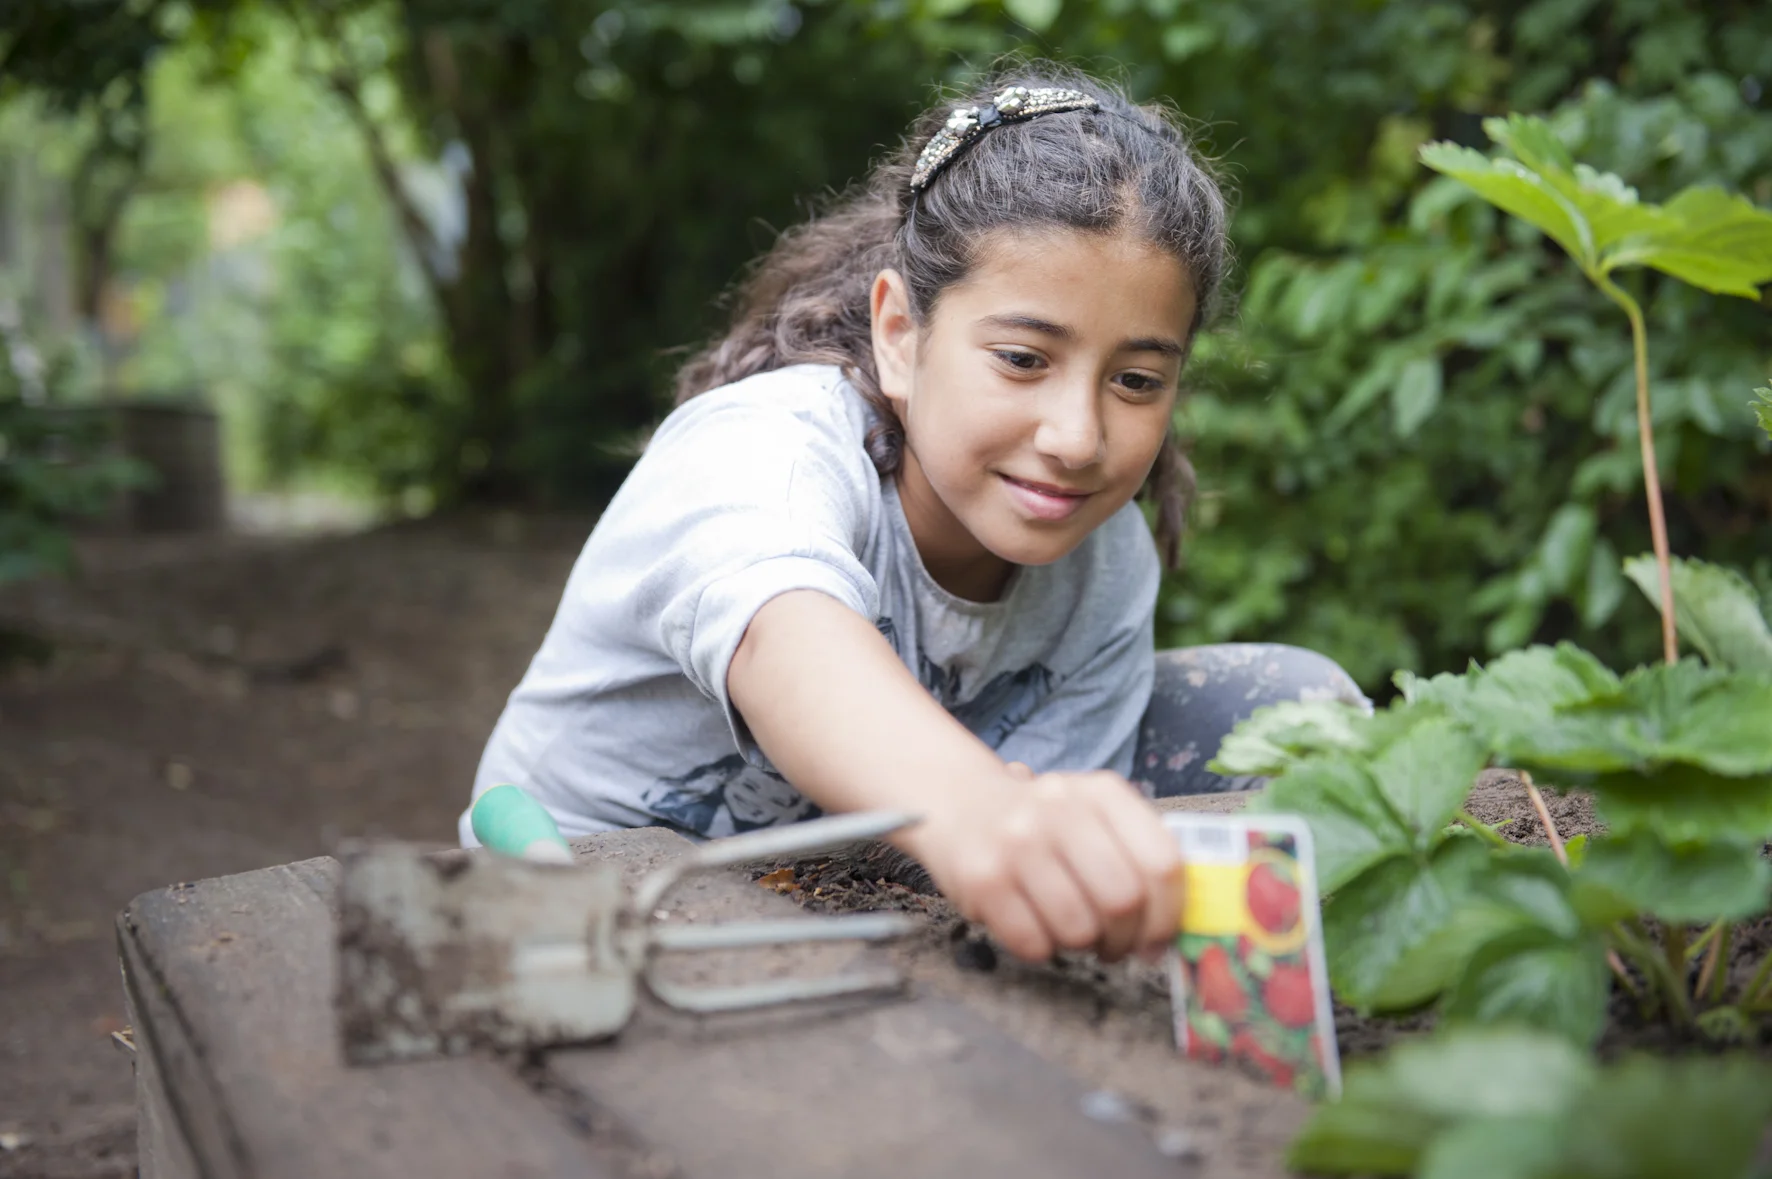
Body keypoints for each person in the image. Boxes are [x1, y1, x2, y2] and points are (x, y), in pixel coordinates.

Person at [462, 64, 1366, 965]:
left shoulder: (1106, 561)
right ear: (900, 334)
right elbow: (789, 643)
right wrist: (984, 811)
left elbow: (1033, 841)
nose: (1077, 436)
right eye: (1022, 358)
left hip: (857, 901)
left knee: (1294, 707)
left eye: (1135, 381)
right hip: (588, 912)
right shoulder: (764, 449)